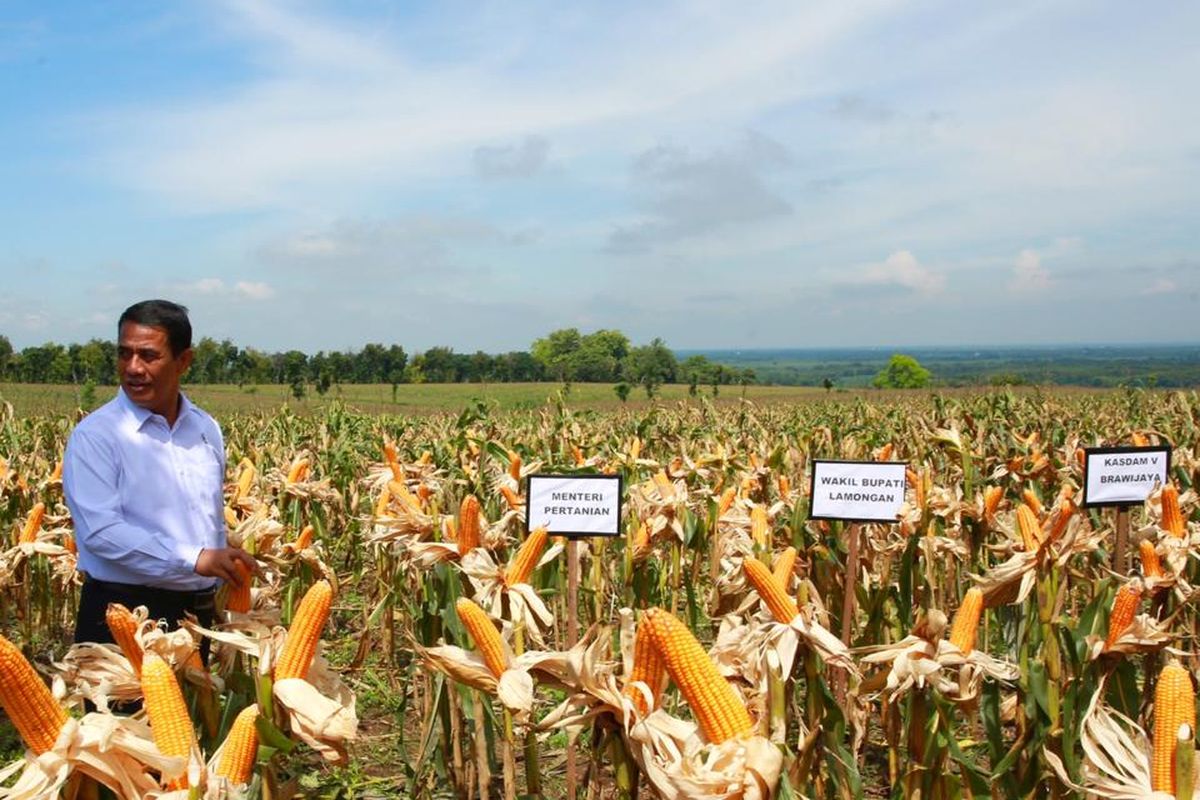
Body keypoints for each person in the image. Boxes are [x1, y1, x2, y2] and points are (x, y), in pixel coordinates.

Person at [63, 299, 256, 647]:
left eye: (148, 355)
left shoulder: (205, 428)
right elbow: (101, 533)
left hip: (197, 614)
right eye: (124, 354)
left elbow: (199, 516)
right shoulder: (96, 435)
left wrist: (222, 554)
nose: (133, 368)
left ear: (184, 361)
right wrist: (197, 558)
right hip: (123, 614)